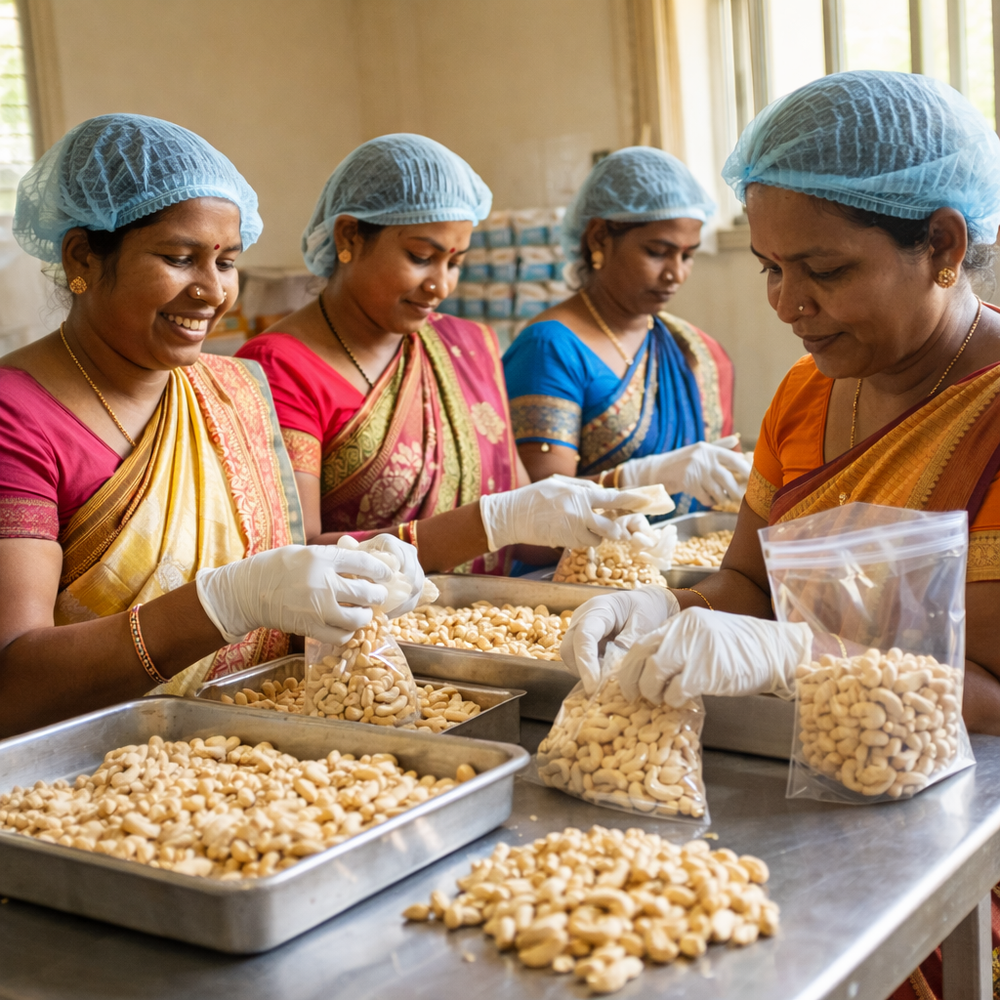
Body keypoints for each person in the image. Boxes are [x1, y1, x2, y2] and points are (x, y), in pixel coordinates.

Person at [560, 71, 1000, 1000]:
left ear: (945, 246)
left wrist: (790, 655)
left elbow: (994, 694)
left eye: (826, 270)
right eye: (769, 266)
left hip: (960, 842)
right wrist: (661, 606)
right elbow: (746, 586)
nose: (784, 303)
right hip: (807, 802)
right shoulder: (807, 392)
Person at [0, 115, 423, 737]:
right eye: (179, 258)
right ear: (82, 255)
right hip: (102, 777)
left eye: (226, 262)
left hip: (262, 755)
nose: (212, 291)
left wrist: (355, 564)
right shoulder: (16, 418)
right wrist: (223, 603)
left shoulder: (231, 391)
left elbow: (264, 564)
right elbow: (15, 678)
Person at [238, 134, 654, 574]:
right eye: (420, 257)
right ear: (349, 236)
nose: (441, 286)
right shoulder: (278, 369)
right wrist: (490, 523)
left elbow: (525, 530)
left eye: (454, 263)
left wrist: (603, 520)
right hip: (360, 636)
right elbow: (293, 561)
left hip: (484, 624)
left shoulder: (468, 347)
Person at [503, 146, 750, 513]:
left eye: (687, 255)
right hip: (582, 568)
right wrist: (644, 477)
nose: (676, 274)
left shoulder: (699, 351)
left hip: (687, 557)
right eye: (657, 252)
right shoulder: (550, 350)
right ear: (599, 238)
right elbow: (535, 510)